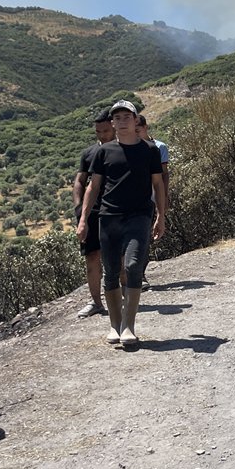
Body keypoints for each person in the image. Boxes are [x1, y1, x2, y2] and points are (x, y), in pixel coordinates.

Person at [77, 101, 166, 347]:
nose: (122, 120)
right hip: (108, 218)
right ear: (113, 122)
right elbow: (92, 187)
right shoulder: (103, 152)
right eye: (118, 117)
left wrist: (161, 215)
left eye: (127, 116)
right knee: (112, 271)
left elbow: (158, 184)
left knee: (134, 264)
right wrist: (83, 219)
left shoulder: (150, 151)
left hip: (139, 216)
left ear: (136, 120)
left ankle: (129, 326)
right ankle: (115, 327)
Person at [72, 110, 115, 318]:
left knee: (120, 256)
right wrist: (80, 210)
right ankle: (97, 303)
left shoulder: (124, 150)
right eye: (98, 131)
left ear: (114, 127)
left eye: (106, 131)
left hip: (118, 211)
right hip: (92, 212)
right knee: (92, 257)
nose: (102, 135)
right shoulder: (89, 153)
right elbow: (80, 181)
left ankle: (124, 297)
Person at [136, 115, 170, 290]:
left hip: (150, 200)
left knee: (145, 239)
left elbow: (164, 175)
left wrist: (162, 199)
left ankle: (140, 275)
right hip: (133, 201)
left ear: (145, 127)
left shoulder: (159, 147)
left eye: (138, 130)